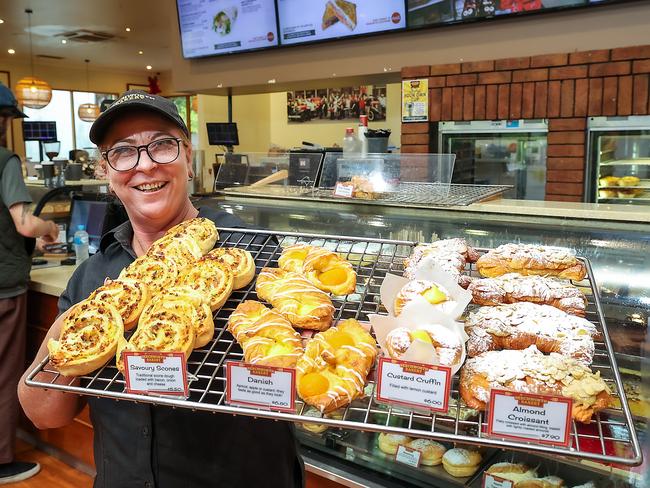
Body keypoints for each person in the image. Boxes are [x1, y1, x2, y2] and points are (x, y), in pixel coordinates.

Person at [19, 91, 304, 487]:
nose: (146, 164)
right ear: (106, 171)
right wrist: (83, 324)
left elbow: (299, 378)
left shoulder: (251, 257)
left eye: (163, 145)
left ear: (188, 158)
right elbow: (44, 414)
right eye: (123, 152)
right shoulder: (93, 277)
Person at [0, 83, 59, 483]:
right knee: (5, 371)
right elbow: (24, 221)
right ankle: (2, 460)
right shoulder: (5, 160)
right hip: (3, 286)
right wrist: (50, 226)